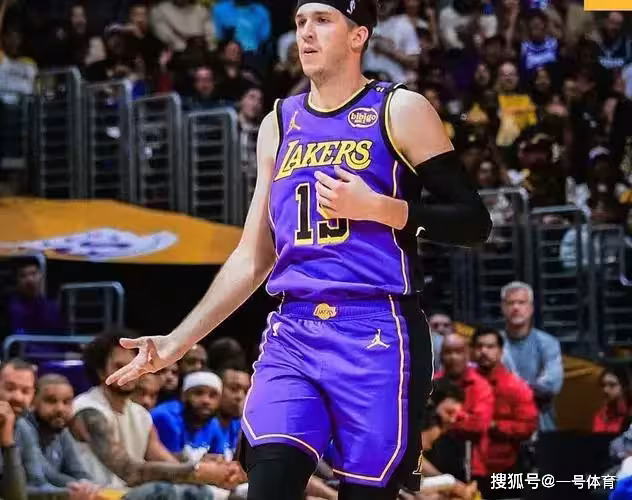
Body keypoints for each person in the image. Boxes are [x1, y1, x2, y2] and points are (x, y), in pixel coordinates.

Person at [107, 1, 492, 499]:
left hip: (377, 329)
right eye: (300, 22)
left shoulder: (400, 109)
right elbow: (254, 255)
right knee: (268, 482)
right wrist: (177, 343)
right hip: (295, 330)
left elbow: (473, 222)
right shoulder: (279, 122)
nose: (305, 33)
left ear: (358, 35)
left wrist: (381, 208)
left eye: (322, 20)